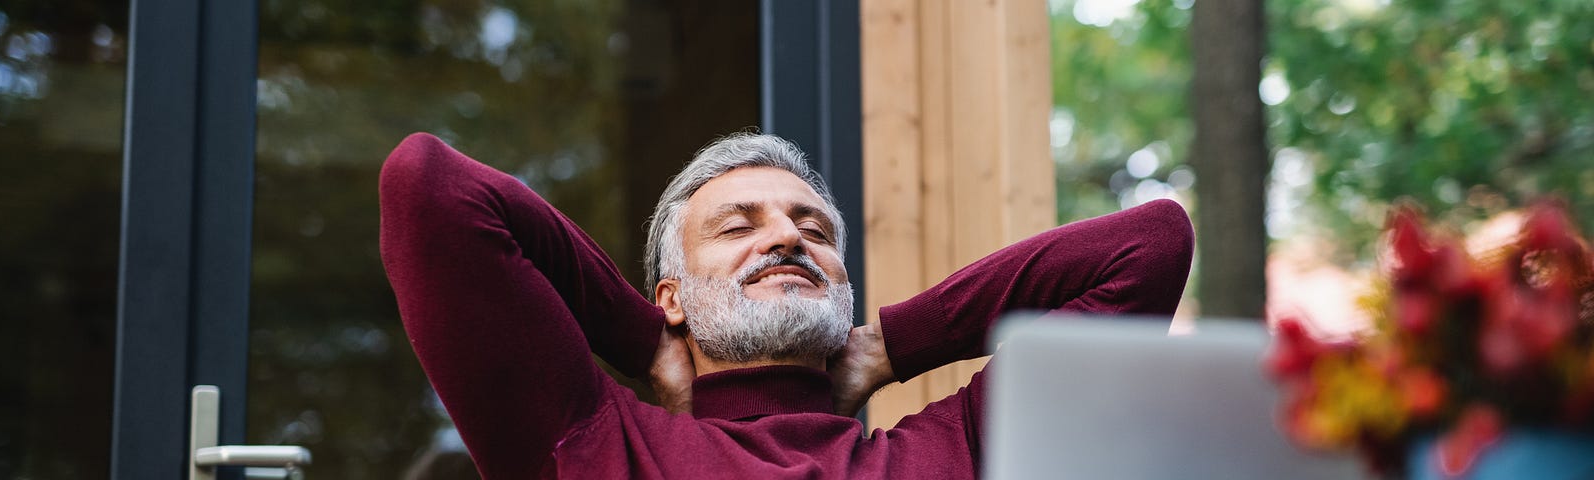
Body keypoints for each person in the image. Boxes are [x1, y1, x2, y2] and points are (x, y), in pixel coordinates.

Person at [379, 131, 1194, 479]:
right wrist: (642, 342)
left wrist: (888, 348)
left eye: (814, 229)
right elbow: (429, 187)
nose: (787, 239)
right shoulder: (595, 446)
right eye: (738, 226)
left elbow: (1149, 249)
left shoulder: (961, 448)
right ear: (673, 297)